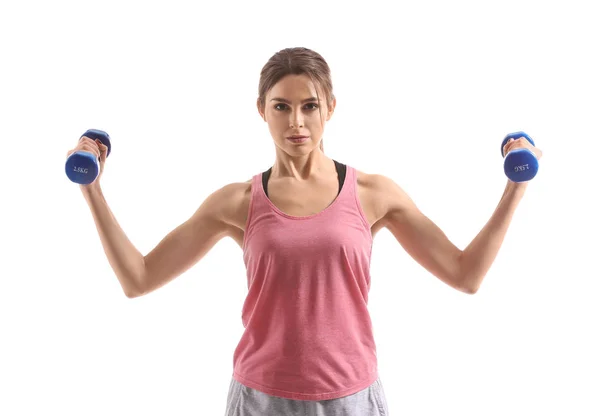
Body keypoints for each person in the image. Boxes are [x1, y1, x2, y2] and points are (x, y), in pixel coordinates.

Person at [67, 47, 542, 415]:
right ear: (261, 109)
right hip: (262, 398)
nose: (296, 122)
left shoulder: (374, 193)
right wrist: (92, 188)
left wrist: (515, 186)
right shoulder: (237, 202)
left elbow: (465, 274)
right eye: (281, 107)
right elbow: (139, 278)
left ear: (330, 107)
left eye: (309, 106)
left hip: (351, 398)